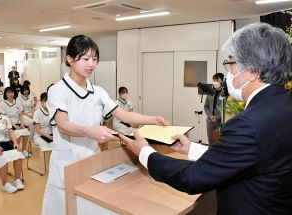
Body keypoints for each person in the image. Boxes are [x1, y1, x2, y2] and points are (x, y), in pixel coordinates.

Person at [120, 23, 292, 214]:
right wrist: (192, 149)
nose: (229, 72)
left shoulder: (247, 125)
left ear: (253, 71)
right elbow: (248, 159)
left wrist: (146, 153)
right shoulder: (284, 105)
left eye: (231, 63)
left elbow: (192, 178)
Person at [42, 35, 169, 215]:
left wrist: (152, 119)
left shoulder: (98, 91)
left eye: (94, 59)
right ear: (69, 59)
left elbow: (125, 115)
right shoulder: (57, 90)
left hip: (93, 158)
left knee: (90, 204)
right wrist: (89, 131)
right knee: (64, 207)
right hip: (66, 161)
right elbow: (63, 125)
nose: (91, 64)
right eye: (85, 59)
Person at [0, 87, 30, 157]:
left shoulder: (17, 101)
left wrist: (22, 124)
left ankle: (23, 150)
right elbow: (5, 118)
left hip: (18, 122)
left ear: (14, 93)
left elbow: (20, 114)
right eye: (8, 92)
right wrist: (14, 125)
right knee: (18, 134)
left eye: (12, 92)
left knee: (26, 133)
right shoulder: (3, 104)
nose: (11, 94)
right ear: (5, 94)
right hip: (8, 124)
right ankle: (17, 151)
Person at [204, 73, 224, 145]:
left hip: (220, 122)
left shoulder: (225, 93)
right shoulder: (210, 92)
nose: (215, 81)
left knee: (220, 143)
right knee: (211, 142)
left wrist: (217, 117)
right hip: (210, 121)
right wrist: (210, 116)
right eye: (214, 80)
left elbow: (226, 108)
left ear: (222, 80)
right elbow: (206, 106)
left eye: (217, 79)